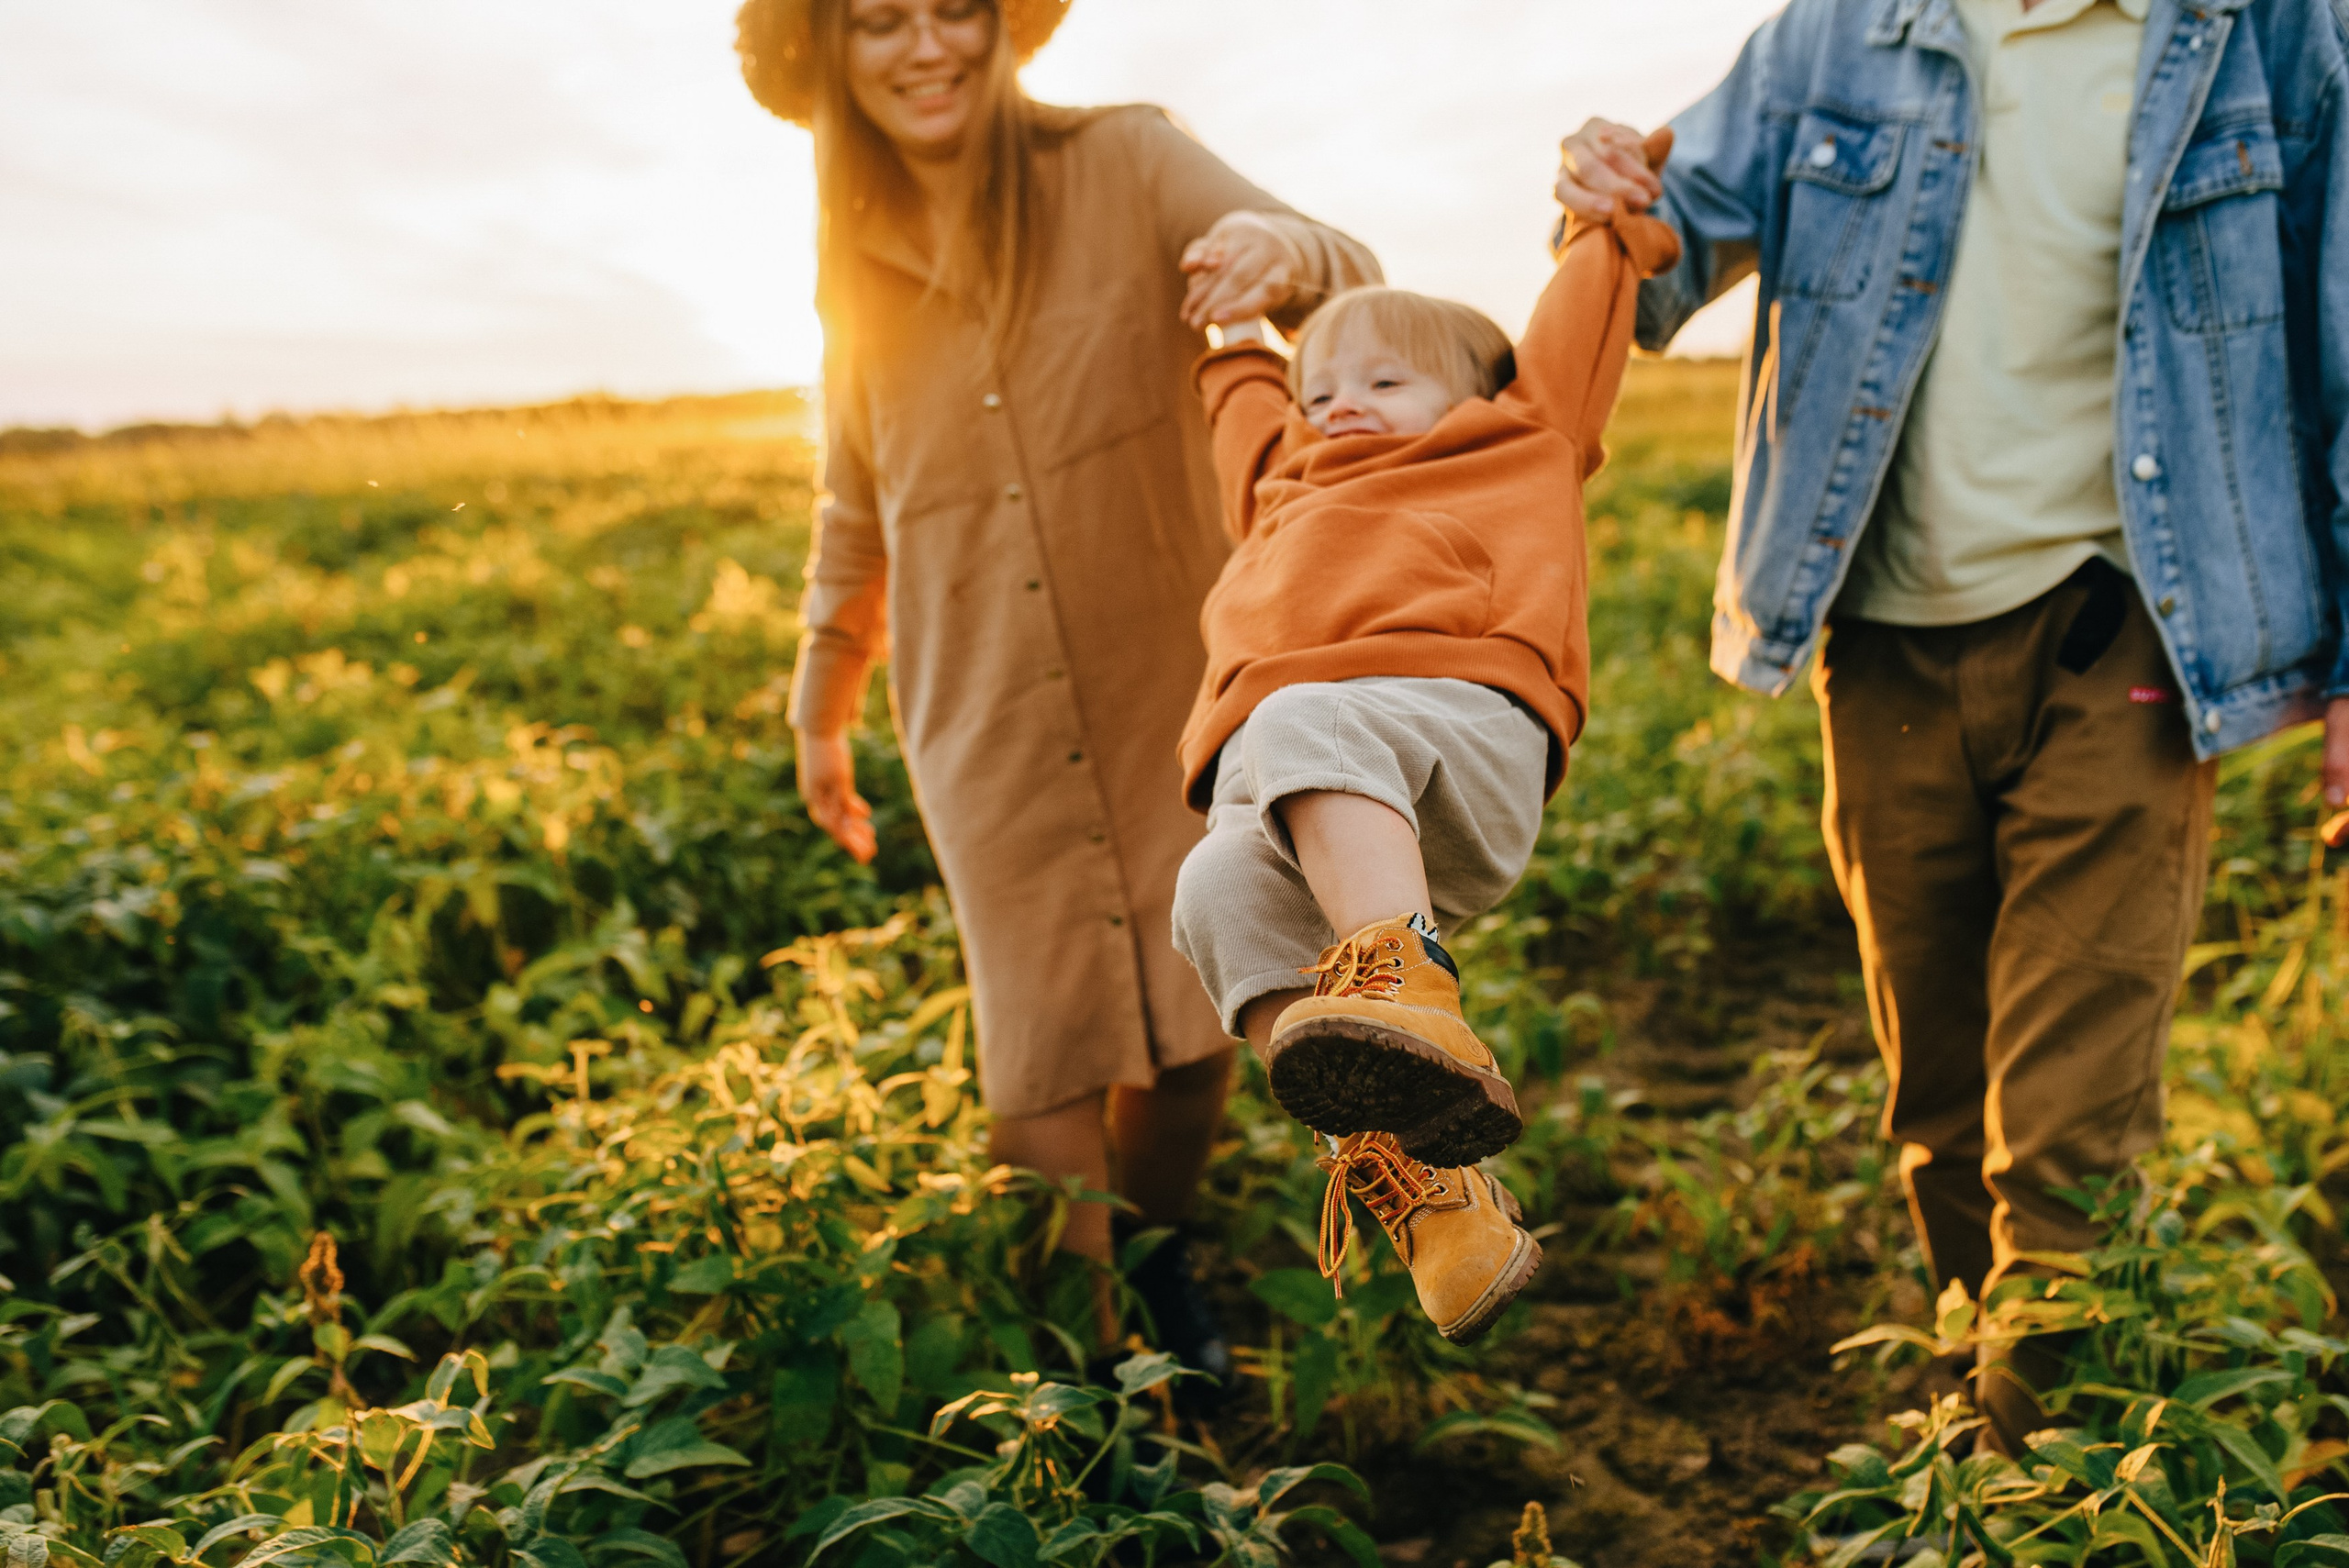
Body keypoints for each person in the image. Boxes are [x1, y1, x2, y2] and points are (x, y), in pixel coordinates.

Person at [1552, 0, 2349, 1448]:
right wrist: (1607, 194)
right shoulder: (1839, 33)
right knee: (1938, 1103)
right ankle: (1992, 1416)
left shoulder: (2273, 35)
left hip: (2126, 642)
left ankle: (2041, 1481)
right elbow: (1666, 255)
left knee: (2066, 1141)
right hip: (1886, 649)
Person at [732, 0, 1380, 1385]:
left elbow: (1350, 279)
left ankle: (1156, 1259)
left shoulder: (1133, 159)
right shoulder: (846, 262)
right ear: (834, 55)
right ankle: (1081, 1395)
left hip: (1176, 680)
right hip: (981, 715)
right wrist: (819, 701)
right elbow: (856, 506)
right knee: (1038, 1054)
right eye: (880, 21)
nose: (926, 47)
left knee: (1193, 1020)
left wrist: (1291, 254)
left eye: (955, 6)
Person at [1168, 136, 1681, 1344]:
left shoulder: (1523, 433)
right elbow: (1240, 388)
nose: (1340, 404)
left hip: (1458, 737)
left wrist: (1606, 218)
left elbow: (1589, 299)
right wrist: (1233, 321)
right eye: (1320, 391)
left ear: (1476, 393)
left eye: (1385, 382)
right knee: (1211, 883)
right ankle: (1429, 1197)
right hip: (1302, 791)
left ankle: (1404, 978)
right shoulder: (1282, 482)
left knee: (1301, 712)